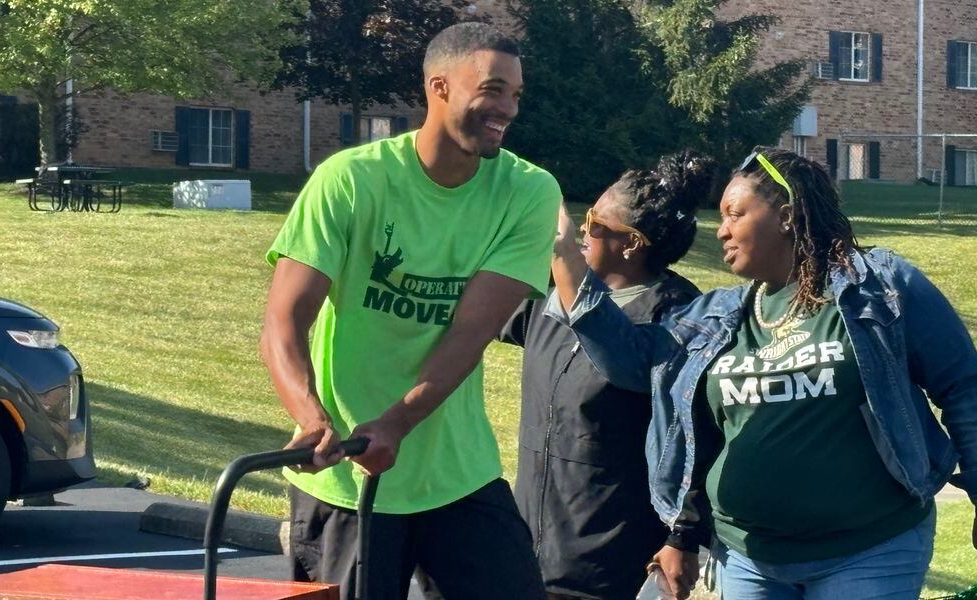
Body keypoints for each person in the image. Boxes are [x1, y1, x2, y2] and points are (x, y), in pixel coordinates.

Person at [549, 147, 977, 599]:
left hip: (871, 551)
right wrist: (561, 251)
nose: (722, 232)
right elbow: (629, 358)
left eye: (734, 214)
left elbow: (964, 385)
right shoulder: (713, 320)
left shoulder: (879, 287)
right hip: (748, 560)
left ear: (786, 215)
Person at [260, 22, 562, 600]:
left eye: (516, 95)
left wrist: (396, 423)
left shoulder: (528, 192)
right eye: (494, 90)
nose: (508, 109)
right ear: (439, 87)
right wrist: (309, 416)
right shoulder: (349, 180)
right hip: (344, 484)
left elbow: (470, 332)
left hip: (458, 475)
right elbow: (283, 321)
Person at [499, 153, 709, 600]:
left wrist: (682, 537)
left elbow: (695, 440)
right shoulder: (549, 296)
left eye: (593, 222)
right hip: (529, 553)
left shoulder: (676, 319)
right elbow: (472, 310)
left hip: (609, 562)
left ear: (631, 243)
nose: (581, 231)